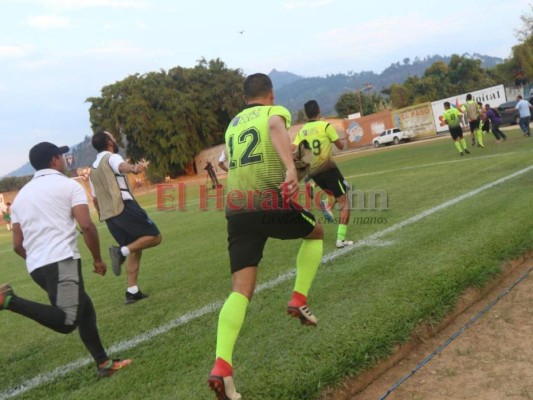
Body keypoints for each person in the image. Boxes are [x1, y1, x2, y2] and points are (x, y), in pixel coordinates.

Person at [207, 73, 324, 400]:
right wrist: (289, 167)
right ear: (270, 94)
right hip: (269, 200)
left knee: (240, 290)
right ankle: (299, 299)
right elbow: (274, 127)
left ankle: (222, 366)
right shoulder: (274, 112)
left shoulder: (232, 126)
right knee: (316, 233)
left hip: (237, 208)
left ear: (245, 97)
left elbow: (226, 164)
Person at [0, 141, 132, 377]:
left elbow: (18, 245)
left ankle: (103, 364)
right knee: (67, 320)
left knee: (85, 309)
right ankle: (8, 301)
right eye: (61, 156)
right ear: (54, 160)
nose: (64, 159)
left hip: (37, 267)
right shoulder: (67, 186)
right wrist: (98, 260)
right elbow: (87, 226)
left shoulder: (21, 197)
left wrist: (38, 260)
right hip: (62, 261)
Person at [90, 131, 162, 305]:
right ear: (108, 141)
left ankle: (132, 291)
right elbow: (122, 167)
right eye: (112, 137)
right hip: (124, 207)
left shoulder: (92, 169)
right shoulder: (112, 157)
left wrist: (103, 214)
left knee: (135, 248)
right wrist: (136, 169)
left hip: (109, 216)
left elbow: (94, 198)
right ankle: (119, 252)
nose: (114, 140)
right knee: (155, 237)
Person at [293, 100, 353, 248]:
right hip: (329, 169)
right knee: (345, 203)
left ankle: (326, 204)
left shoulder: (302, 131)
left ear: (306, 114)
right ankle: (341, 240)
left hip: (314, 173)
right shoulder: (326, 126)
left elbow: (293, 150)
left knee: (335, 194)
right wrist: (343, 137)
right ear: (319, 111)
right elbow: (340, 146)